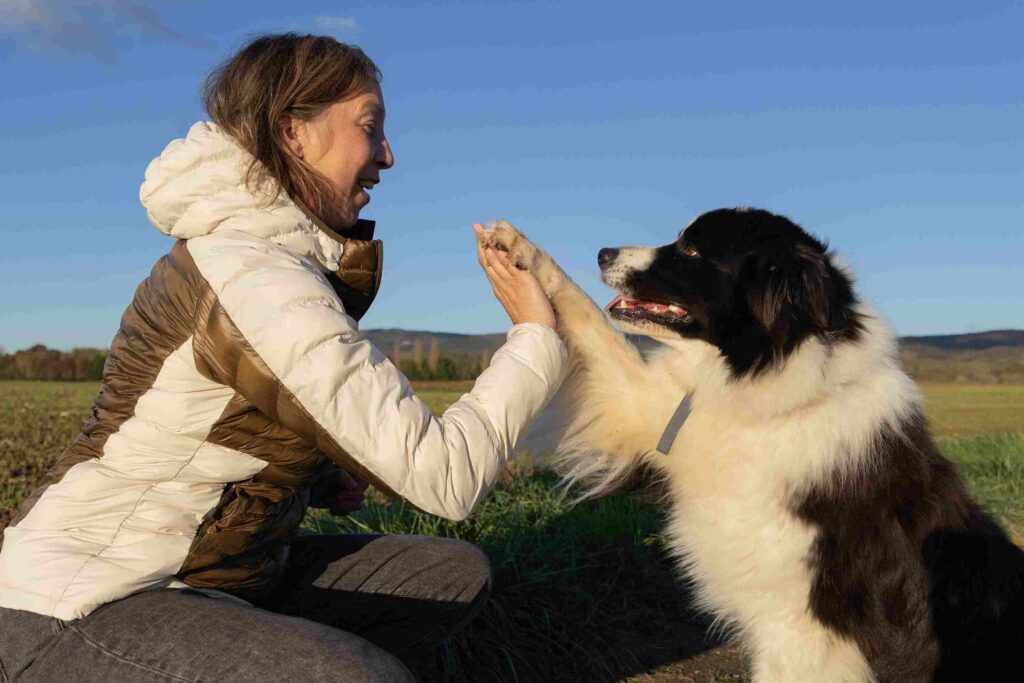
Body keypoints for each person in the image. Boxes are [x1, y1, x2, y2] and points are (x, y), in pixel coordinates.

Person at [0, 34, 566, 681]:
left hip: (220, 573)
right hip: (83, 599)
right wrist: (535, 334)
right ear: (293, 132)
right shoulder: (253, 276)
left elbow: (217, 421)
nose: (386, 154)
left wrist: (317, 476)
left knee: (452, 574)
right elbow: (447, 477)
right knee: (360, 676)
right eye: (370, 127)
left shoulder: (264, 262)